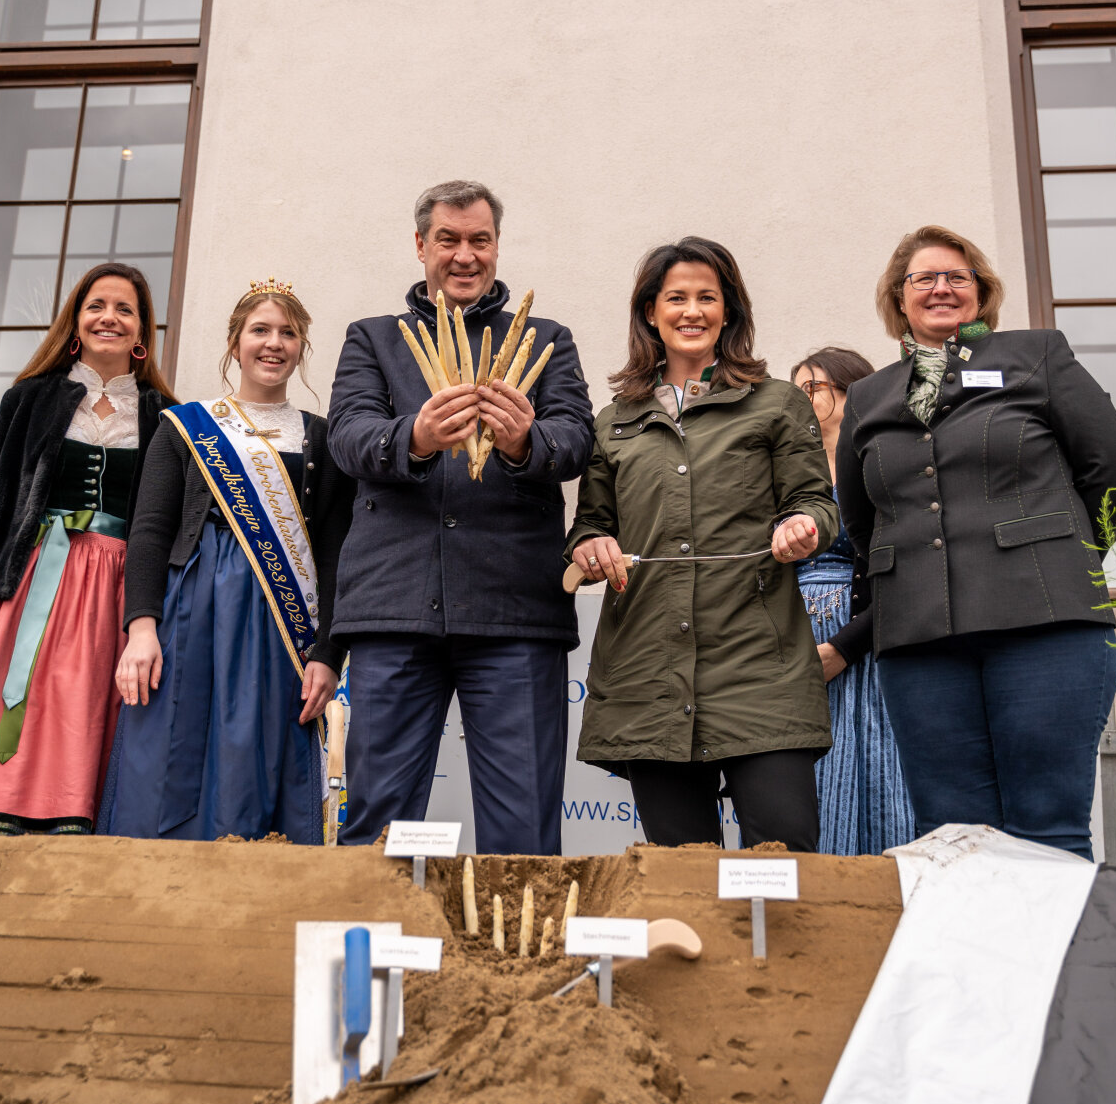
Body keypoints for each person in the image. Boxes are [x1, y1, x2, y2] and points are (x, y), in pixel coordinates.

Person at [836, 225, 1116, 859]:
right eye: (924, 278)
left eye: (958, 277)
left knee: (1046, 827)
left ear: (981, 293)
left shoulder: (1035, 355)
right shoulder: (868, 395)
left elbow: (1110, 469)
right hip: (919, 641)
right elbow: (863, 521)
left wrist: (1063, 559)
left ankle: (1054, 964)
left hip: (1046, 626)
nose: (941, 288)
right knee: (952, 839)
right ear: (899, 297)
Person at [328, 179, 594, 855]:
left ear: (497, 247)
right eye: (449, 239)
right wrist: (412, 436)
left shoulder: (546, 340)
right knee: (378, 821)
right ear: (421, 246)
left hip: (514, 611)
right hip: (395, 608)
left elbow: (576, 440)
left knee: (523, 827)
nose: (465, 255)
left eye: (480, 239)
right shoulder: (373, 339)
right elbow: (349, 436)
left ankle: (522, 962)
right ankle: (371, 956)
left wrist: (524, 442)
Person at [567, 237, 837, 849]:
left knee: (785, 857)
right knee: (682, 876)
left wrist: (804, 528)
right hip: (649, 674)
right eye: (676, 298)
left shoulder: (776, 404)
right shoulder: (613, 421)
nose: (692, 311)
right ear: (650, 313)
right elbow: (591, 526)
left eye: (707, 298)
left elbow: (815, 504)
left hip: (758, 669)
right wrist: (589, 549)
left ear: (729, 312)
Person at [99, 279, 352, 844]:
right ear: (236, 342)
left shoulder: (324, 440)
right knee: (168, 749)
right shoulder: (185, 427)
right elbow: (149, 532)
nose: (274, 343)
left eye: (288, 333)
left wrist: (328, 652)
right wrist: (141, 629)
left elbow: (336, 552)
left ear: (302, 346)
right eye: (260, 330)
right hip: (190, 613)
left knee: (257, 753)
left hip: (278, 625)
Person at [0, 263, 173, 842]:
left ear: (143, 331)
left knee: (84, 703)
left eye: (126, 310)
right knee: (14, 698)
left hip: (114, 585)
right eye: (98, 305)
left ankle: (68, 821)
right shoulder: (29, 399)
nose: (110, 318)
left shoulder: (163, 417)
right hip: (29, 576)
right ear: (76, 321)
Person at [791, 347, 915, 855]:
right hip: (792, 639)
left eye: (812, 389)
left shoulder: (881, 467)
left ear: (852, 391)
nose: (801, 401)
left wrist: (844, 646)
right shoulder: (788, 473)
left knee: (871, 765)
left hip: (863, 635)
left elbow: (907, 570)